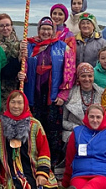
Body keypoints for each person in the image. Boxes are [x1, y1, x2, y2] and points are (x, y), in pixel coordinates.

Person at [21, 17, 75, 165]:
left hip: (53, 96)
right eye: (43, 29)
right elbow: (23, 67)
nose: (46, 32)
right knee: (34, 127)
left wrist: (63, 93)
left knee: (52, 130)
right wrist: (22, 72)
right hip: (34, 94)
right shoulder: (29, 46)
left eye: (49, 29)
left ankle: (53, 160)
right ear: (38, 30)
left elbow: (69, 72)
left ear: (53, 30)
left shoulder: (63, 47)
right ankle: (33, 157)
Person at [0, 91, 58, 189]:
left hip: (31, 168)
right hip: (8, 171)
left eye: (19, 103)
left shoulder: (35, 125)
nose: (16, 106)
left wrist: (42, 174)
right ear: (8, 104)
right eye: (13, 102)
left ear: (25, 105)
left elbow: (44, 151)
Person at [62, 63, 104, 146]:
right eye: (83, 76)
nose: (87, 79)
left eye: (90, 76)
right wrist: (77, 128)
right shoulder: (70, 94)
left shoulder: (102, 93)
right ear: (78, 78)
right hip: (75, 132)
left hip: (97, 131)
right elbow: (63, 121)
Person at [0, 13, 21, 106]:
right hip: (0, 85)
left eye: (7, 25)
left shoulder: (19, 43)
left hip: (15, 84)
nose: (5, 28)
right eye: (1, 26)